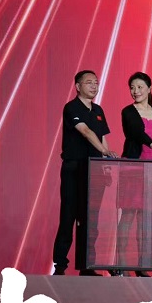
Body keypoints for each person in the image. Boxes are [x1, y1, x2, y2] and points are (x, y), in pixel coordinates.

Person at [53, 70, 117, 276]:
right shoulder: (71, 107)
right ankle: (60, 266)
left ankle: (87, 265)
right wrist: (104, 151)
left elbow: (102, 135)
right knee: (68, 216)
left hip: (94, 170)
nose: (94, 86)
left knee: (91, 219)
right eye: (89, 82)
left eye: (96, 82)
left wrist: (106, 162)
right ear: (78, 86)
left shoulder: (98, 110)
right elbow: (85, 131)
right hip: (74, 168)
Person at [117, 72, 152, 276]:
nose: (135, 91)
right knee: (129, 214)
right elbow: (136, 133)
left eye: (139, 87)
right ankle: (121, 265)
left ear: (149, 88)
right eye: (132, 87)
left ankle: (142, 265)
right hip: (134, 169)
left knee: (146, 218)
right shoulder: (128, 112)